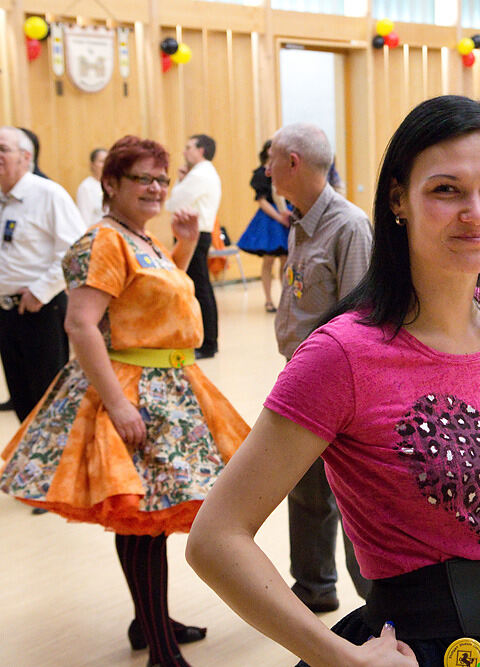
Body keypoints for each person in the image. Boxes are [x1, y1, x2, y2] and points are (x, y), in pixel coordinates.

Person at [186, 94, 480, 667]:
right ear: (398, 199)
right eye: (446, 190)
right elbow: (216, 538)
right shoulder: (341, 354)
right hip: (424, 644)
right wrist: (336, 655)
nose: (477, 212)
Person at [0, 135, 250, 667]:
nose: (157, 187)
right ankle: (159, 645)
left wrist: (182, 245)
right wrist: (117, 405)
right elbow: (81, 322)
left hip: (168, 388)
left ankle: (150, 621)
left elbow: (160, 300)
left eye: (162, 178)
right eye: (144, 178)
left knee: (156, 516)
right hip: (134, 390)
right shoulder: (104, 241)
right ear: (111, 184)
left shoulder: (141, 238)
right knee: (143, 518)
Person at [270, 122, 374, 611]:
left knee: (354, 499)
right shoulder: (301, 220)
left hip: (339, 386)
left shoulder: (348, 226)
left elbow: (361, 319)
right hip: (301, 376)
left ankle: (382, 602)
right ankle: (314, 587)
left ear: (292, 162)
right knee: (306, 489)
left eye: (270, 159)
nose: (265, 169)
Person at [0, 126, 86, 423]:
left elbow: (75, 249)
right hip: (6, 313)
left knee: (49, 400)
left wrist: (41, 290)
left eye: (2, 149)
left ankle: (57, 467)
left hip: (41, 310)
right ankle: (29, 466)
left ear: (26, 157)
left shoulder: (48, 194)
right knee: (21, 400)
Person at [166, 133, 221, 359]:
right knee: (200, 288)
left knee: (200, 289)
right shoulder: (201, 173)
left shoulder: (200, 174)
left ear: (201, 151)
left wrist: (181, 181)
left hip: (196, 236)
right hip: (197, 234)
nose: (184, 151)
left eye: (188, 147)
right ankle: (206, 341)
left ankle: (208, 344)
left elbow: (173, 203)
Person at [237, 139, 290, 312]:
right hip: (269, 219)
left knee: (286, 260)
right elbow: (261, 201)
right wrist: (279, 217)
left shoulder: (286, 169)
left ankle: (285, 298)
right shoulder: (260, 174)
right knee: (268, 260)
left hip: (286, 215)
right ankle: (268, 299)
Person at [76, 147, 108, 225]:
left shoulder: (112, 185)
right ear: (92, 164)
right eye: (102, 161)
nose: (105, 165)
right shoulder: (86, 187)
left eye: (107, 161)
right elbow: (85, 219)